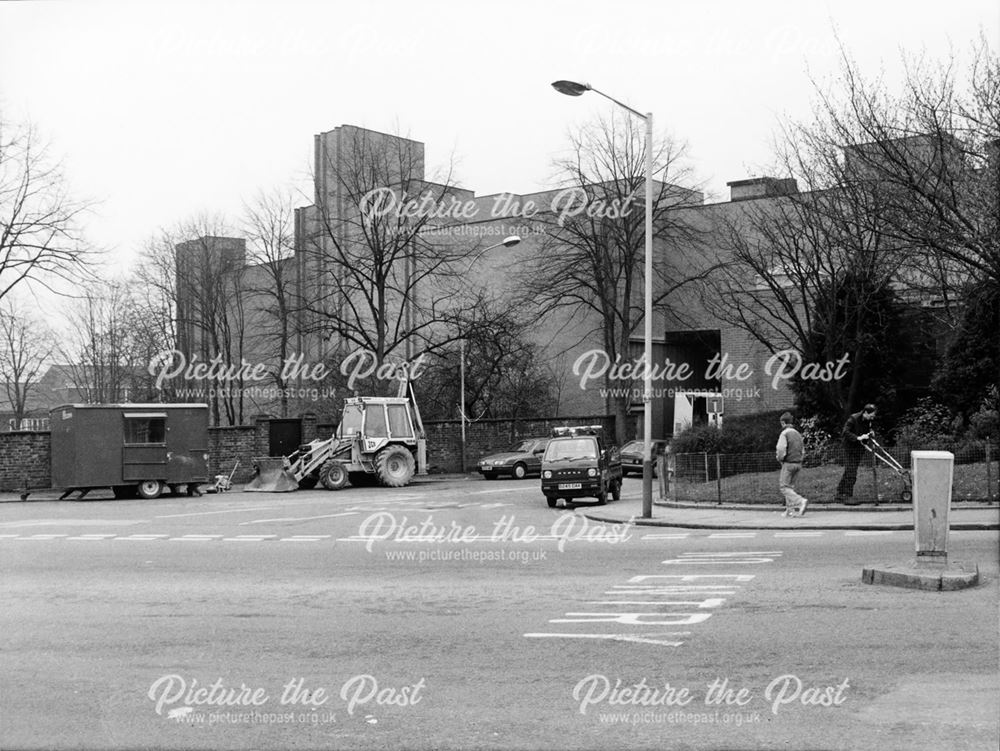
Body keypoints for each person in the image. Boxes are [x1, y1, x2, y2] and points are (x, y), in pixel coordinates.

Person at [836, 403, 877, 504]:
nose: (873, 417)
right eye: (872, 415)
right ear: (866, 412)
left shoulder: (868, 421)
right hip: (849, 448)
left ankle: (839, 494)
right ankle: (848, 496)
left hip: (859, 448)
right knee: (851, 472)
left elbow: (868, 428)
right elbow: (845, 432)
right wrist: (857, 438)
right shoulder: (853, 419)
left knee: (849, 471)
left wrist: (871, 432)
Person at [776, 412, 808, 517]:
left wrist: (780, 459)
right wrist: (800, 459)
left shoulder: (784, 434)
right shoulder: (798, 434)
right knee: (790, 487)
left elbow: (781, 449)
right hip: (798, 464)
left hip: (788, 463)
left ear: (783, 423)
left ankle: (800, 501)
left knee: (784, 487)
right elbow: (802, 450)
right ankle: (790, 510)